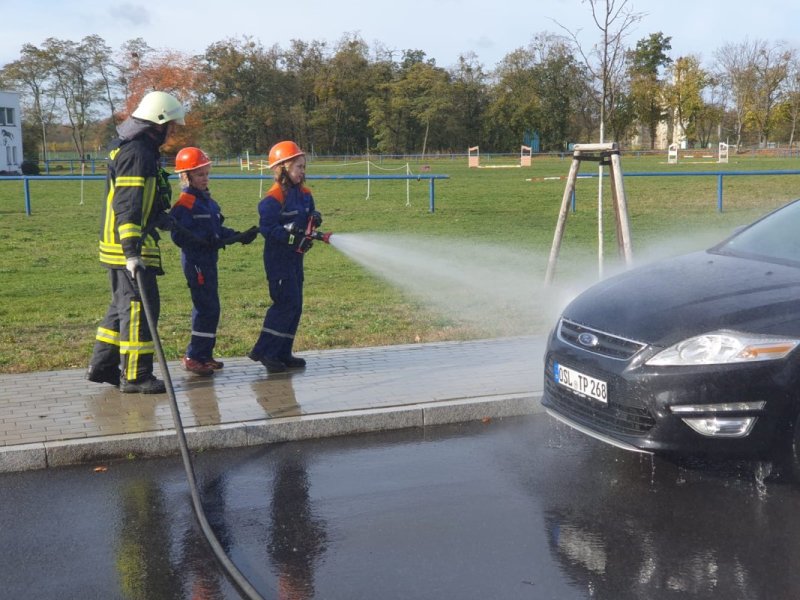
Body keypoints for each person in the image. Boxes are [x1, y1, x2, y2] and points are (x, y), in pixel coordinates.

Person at [86, 90, 185, 394]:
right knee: (139, 309)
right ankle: (136, 376)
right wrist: (131, 252)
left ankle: (103, 366)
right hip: (126, 246)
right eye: (170, 125)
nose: (172, 131)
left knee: (121, 308)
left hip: (124, 244)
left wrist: (164, 220)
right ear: (158, 123)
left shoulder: (141, 151)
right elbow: (127, 205)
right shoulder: (137, 154)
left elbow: (144, 201)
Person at [169, 146, 258, 376]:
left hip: (209, 260)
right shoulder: (184, 204)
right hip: (196, 262)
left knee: (212, 308)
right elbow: (178, 236)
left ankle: (204, 355)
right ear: (186, 176)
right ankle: (193, 356)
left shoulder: (208, 202)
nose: (205, 178)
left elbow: (217, 231)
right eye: (199, 174)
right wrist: (201, 241)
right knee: (205, 307)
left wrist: (239, 236)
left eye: (207, 173)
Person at [249, 140, 322, 373]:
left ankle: (283, 352)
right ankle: (265, 352)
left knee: (295, 305)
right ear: (282, 168)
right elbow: (268, 230)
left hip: (295, 260)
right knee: (284, 304)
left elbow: (308, 214)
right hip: (278, 260)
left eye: (303, 166)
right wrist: (292, 240)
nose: (302, 171)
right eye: (298, 167)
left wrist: (315, 217)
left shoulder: (305, 194)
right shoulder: (272, 199)